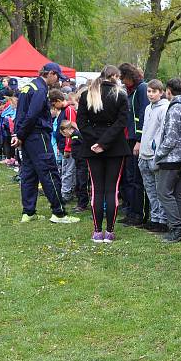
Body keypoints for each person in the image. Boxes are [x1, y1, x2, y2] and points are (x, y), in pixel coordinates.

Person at [13, 64, 79, 224]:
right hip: (37, 136)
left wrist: (18, 134)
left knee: (28, 173)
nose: (57, 81)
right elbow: (32, 115)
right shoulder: (40, 89)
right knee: (50, 172)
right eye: (57, 77)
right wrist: (20, 134)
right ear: (51, 73)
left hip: (27, 137)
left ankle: (28, 212)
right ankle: (59, 213)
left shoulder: (27, 87)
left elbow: (21, 114)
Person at [76, 65, 132, 240]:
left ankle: (97, 230)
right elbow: (121, 123)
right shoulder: (119, 95)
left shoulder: (87, 94)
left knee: (97, 189)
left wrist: (96, 142)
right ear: (114, 76)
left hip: (93, 146)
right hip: (114, 146)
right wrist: (103, 142)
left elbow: (82, 123)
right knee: (111, 190)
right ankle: (109, 231)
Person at [154, 77, 181, 243]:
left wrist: (158, 154)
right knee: (176, 193)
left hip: (172, 158)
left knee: (164, 193)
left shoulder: (175, 108)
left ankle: (177, 228)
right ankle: (179, 225)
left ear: (168, 91)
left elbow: (170, 138)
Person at [119, 63, 151, 227]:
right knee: (130, 177)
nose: (123, 82)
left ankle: (140, 214)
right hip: (128, 138)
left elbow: (142, 115)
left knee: (137, 179)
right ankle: (132, 211)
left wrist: (139, 140)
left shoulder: (141, 89)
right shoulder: (131, 92)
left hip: (137, 140)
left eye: (123, 78)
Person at [137, 79, 170, 232]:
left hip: (154, 155)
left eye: (154, 91)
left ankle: (163, 220)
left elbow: (162, 132)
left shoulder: (164, 109)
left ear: (161, 92)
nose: (150, 94)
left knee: (159, 189)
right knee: (149, 189)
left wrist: (156, 151)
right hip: (144, 155)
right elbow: (145, 130)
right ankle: (155, 217)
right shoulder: (148, 108)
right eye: (149, 91)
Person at [59, 120, 89, 215]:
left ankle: (82, 204)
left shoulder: (77, 135)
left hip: (82, 163)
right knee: (78, 183)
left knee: (82, 183)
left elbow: (84, 145)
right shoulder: (74, 136)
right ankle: (80, 203)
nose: (65, 136)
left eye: (64, 134)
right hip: (79, 162)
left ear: (67, 130)